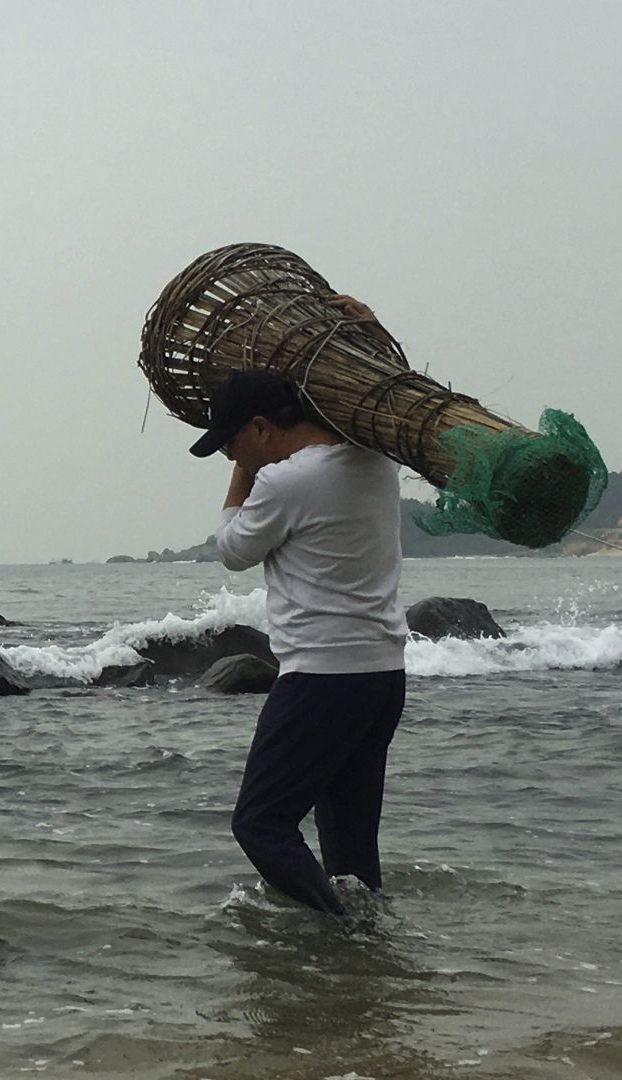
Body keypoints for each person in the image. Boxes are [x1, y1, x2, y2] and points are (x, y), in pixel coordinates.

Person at [190, 338, 409, 916]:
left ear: (261, 428)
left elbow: (233, 550)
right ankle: (362, 961)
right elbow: (394, 386)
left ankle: (334, 931)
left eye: (232, 443)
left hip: (322, 676)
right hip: (383, 674)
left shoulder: (287, 482)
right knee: (352, 848)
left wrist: (243, 473)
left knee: (259, 823)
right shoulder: (374, 458)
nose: (229, 456)